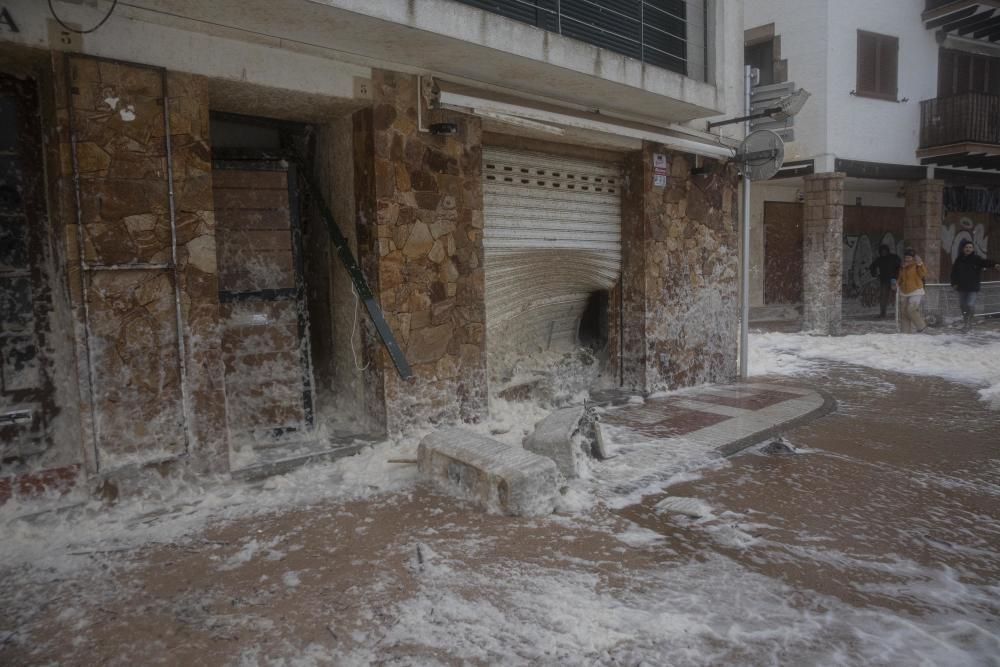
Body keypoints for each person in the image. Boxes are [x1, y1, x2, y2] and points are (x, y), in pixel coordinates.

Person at [950, 239, 999, 332]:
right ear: (963, 249)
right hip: (961, 287)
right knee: (963, 306)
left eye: (970, 247)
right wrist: (954, 283)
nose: (968, 249)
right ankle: (966, 322)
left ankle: (968, 323)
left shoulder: (976, 259)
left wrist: (995, 264)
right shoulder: (959, 259)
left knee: (969, 305)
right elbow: (954, 273)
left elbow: (986, 262)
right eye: (966, 247)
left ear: (973, 249)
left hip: (973, 287)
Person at [896, 248, 928, 334]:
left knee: (911, 309)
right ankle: (905, 332)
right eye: (906, 257)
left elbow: (923, 274)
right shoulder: (902, 266)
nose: (908, 259)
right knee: (904, 312)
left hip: (916, 290)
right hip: (904, 290)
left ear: (913, 258)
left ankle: (921, 326)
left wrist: (920, 264)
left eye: (910, 257)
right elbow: (900, 277)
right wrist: (897, 283)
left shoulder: (917, 265)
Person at [869, 244, 901, 318]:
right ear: (880, 252)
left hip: (894, 280)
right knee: (883, 297)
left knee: (897, 296)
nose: (883, 252)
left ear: (887, 251)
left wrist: (897, 277)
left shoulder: (893, 257)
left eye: (885, 251)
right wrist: (874, 274)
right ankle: (883, 313)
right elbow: (872, 266)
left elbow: (900, 267)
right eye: (882, 251)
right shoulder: (880, 259)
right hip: (884, 280)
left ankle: (899, 313)